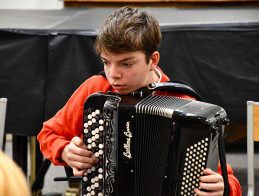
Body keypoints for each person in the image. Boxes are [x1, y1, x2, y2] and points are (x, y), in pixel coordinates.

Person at [37, 6, 241, 195]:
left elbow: (229, 180)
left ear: (152, 60)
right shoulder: (96, 88)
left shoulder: (184, 106)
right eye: (106, 62)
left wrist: (224, 188)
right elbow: (48, 134)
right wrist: (64, 151)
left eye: (126, 64)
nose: (113, 75)